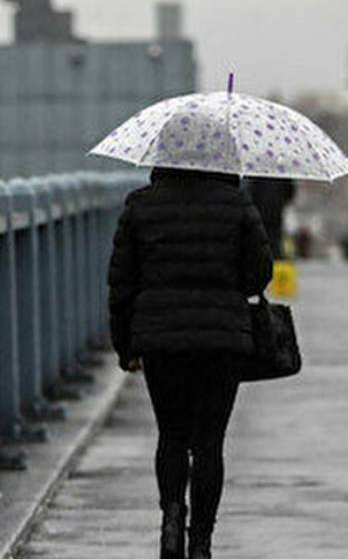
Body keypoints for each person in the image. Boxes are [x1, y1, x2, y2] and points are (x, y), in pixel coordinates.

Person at [108, 167, 273, 559]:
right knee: (210, 443)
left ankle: (171, 522)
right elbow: (259, 273)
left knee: (172, 435)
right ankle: (200, 543)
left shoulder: (140, 205)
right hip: (222, 338)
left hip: (161, 338)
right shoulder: (237, 203)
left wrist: (124, 346)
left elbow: (121, 283)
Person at [245, 176, 296, 259]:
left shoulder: (258, 174)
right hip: (275, 213)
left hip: (260, 213)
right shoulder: (283, 174)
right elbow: (290, 193)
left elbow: (251, 191)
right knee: (274, 241)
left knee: (260, 240)